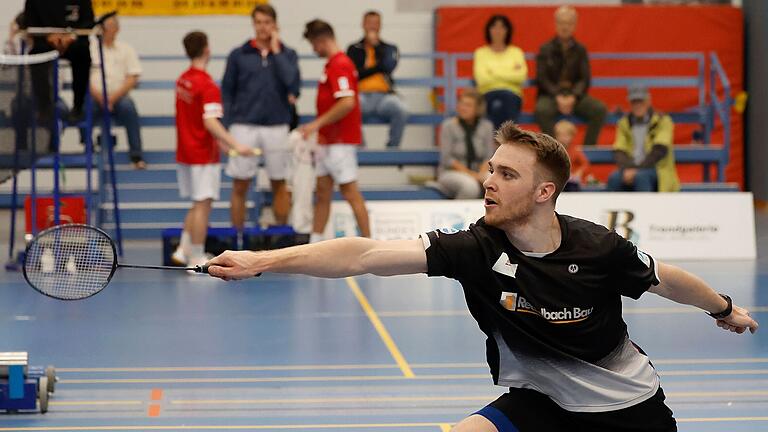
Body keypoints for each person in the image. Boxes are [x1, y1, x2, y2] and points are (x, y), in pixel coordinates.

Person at [205, 121, 758, 432]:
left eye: (506, 173)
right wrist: (262, 261)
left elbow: (669, 280)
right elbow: (363, 255)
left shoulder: (597, 247)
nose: (488, 180)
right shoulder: (474, 248)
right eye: (490, 167)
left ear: (545, 192)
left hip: (628, 413)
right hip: (541, 401)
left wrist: (724, 308)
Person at [172, 31, 250, 268]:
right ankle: (196, 258)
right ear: (207, 49)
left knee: (197, 204)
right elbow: (209, 122)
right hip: (202, 155)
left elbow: (196, 119)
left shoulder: (182, 80)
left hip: (186, 152)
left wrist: (222, 145)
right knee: (203, 206)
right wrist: (236, 144)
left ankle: (182, 250)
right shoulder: (207, 85)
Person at [221, 3, 300, 229]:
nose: (262, 27)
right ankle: (237, 240)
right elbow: (227, 91)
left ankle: (281, 239)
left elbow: (293, 85)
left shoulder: (288, 54)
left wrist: (277, 52)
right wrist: (226, 129)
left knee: (279, 182)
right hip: (243, 125)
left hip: (277, 125)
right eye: (258, 22)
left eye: (267, 22)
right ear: (253, 24)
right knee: (240, 184)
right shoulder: (239, 54)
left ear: (275, 25)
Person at [300, 19, 370, 241]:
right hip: (327, 142)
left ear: (321, 40)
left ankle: (369, 241)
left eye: (313, 44)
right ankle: (315, 243)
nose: (313, 50)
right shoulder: (332, 65)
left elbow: (347, 102)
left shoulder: (340, 64)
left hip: (340, 142)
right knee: (322, 192)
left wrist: (316, 124)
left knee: (350, 193)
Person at [534, 5, 606, 146]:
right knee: (541, 110)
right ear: (556, 24)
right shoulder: (545, 49)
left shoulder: (580, 50)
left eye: (568, 23)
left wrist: (574, 96)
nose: (564, 27)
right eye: (561, 22)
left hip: (575, 96)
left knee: (599, 109)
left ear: (574, 25)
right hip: (551, 95)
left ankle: (587, 150)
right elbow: (542, 78)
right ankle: (553, 151)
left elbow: (584, 79)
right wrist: (557, 96)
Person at [88, 13, 146, 169]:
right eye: (106, 27)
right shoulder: (89, 49)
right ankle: (88, 150)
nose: (109, 30)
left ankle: (136, 155)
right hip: (95, 96)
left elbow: (133, 77)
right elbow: (82, 78)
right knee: (84, 109)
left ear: (118, 29)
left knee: (129, 108)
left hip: (119, 96)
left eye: (113, 26)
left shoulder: (126, 49)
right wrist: (101, 97)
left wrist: (112, 98)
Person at [346, 10, 408, 148]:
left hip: (384, 97)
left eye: (376, 23)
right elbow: (355, 73)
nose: (372, 27)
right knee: (348, 108)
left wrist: (376, 47)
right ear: (363, 25)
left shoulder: (389, 48)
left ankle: (392, 149)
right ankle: (361, 149)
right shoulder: (353, 49)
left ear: (380, 26)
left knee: (402, 109)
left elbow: (389, 66)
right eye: (369, 23)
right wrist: (377, 68)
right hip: (361, 95)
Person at [25, 0, 93, 124]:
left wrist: (71, 36)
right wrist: (48, 36)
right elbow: (29, 22)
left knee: (83, 54)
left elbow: (88, 21)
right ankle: (44, 107)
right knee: (36, 56)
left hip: (73, 41)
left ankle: (78, 106)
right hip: (45, 41)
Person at [607, 84, 679, 192]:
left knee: (641, 178)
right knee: (614, 178)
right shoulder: (624, 123)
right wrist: (629, 169)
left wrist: (636, 170)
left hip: (657, 169)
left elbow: (659, 150)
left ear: (648, 101)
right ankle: (613, 208)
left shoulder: (663, 121)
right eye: (634, 102)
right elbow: (619, 150)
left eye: (641, 101)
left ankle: (646, 209)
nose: (637, 105)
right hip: (630, 167)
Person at [430, 89, 495, 199]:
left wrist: (481, 174)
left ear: (477, 109)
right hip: (450, 172)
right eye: (461, 104)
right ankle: (461, 216)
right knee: (470, 187)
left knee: (495, 184)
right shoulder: (448, 126)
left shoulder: (486, 126)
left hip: (480, 171)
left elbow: (488, 156)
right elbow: (447, 159)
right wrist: (472, 174)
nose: (463, 108)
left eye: (468, 105)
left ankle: (493, 215)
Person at [473, 15, 527, 129]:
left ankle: (502, 141)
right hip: (487, 94)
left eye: (502, 27)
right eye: (494, 27)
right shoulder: (480, 53)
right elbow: (482, 80)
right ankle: (505, 141)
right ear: (489, 30)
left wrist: (493, 73)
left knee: (505, 101)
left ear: (508, 30)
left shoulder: (516, 52)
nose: (498, 31)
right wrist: (508, 73)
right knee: (495, 105)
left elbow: (521, 76)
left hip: (512, 95)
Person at [554, 119, 590, 191]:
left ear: (572, 136)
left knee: (573, 187)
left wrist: (579, 172)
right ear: (556, 136)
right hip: (557, 180)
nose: (563, 138)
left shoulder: (574, 150)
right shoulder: (554, 150)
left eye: (566, 136)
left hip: (570, 181)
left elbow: (585, 163)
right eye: (560, 135)